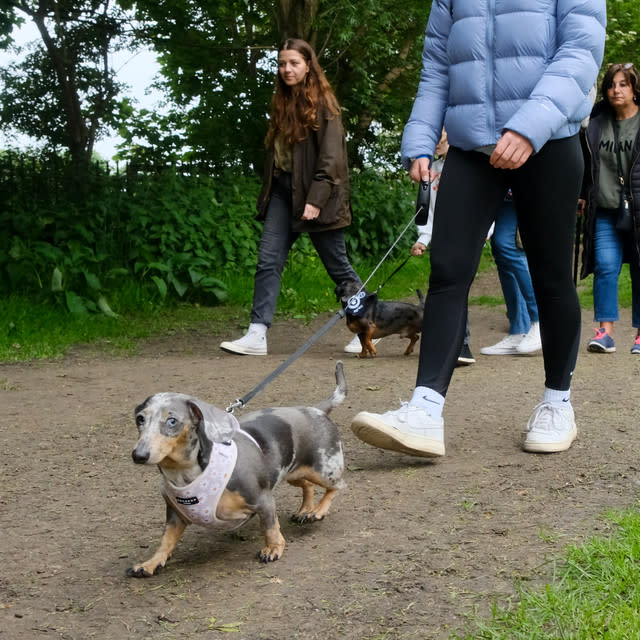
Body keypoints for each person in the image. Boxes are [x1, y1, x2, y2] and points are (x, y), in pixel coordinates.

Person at [350, 0, 606, 457]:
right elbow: (437, 68)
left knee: (550, 275)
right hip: (471, 145)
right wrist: (421, 140)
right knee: (447, 270)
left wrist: (529, 127)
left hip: (548, 140)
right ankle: (425, 411)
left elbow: (580, 52)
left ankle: (556, 402)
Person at [220, 38, 361, 356]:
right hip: (284, 194)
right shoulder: (281, 101)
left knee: (337, 266)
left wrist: (316, 199)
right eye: (282, 63)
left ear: (308, 65)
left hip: (318, 197)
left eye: (293, 63)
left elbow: (332, 158)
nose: (286, 69)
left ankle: (368, 324)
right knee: (268, 261)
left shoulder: (325, 104)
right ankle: (257, 334)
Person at [579, 62, 640, 356]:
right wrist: (581, 194)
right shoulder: (596, 122)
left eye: (623, 84)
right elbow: (584, 162)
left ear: (634, 88)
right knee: (605, 266)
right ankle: (606, 333)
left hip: (638, 210)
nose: (616, 90)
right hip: (604, 208)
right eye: (611, 85)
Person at [411, 129, 475, 366]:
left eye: (439, 136)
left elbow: (485, 204)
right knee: (440, 284)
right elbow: (425, 213)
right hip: (440, 238)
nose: (434, 142)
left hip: (467, 235)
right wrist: (422, 239)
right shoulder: (432, 172)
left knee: (457, 285)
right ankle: (442, 344)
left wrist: (485, 231)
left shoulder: (472, 168)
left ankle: (462, 344)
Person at [480, 192, 542, 356]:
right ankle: (519, 331)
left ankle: (541, 321)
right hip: (499, 191)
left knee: (507, 246)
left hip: (519, 187)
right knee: (501, 251)